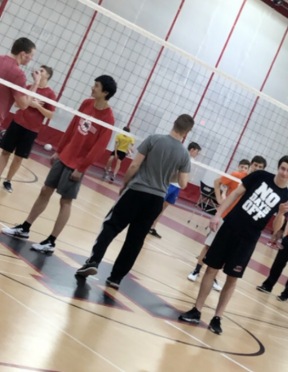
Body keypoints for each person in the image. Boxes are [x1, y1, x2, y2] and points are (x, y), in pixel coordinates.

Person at [178, 154, 288, 334]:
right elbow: (235, 193)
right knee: (211, 268)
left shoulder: (286, 198)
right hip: (230, 227)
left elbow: (276, 228)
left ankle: (217, 318)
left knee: (232, 278)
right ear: (278, 167)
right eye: (282, 168)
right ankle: (196, 310)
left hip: (248, 239)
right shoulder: (260, 176)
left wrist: (280, 213)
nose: (284, 173)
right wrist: (218, 215)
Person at [75, 113, 194, 289]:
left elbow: (134, 165)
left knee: (111, 226)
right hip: (156, 200)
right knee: (135, 240)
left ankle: (93, 262)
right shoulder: (184, 154)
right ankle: (116, 278)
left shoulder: (154, 139)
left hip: (137, 191)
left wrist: (125, 184)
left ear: (174, 122)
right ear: (187, 132)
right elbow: (183, 183)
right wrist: (165, 175)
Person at [2, 75, 117, 254]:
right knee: (45, 190)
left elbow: (99, 148)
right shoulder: (86, 103)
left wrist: (81, 168)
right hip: (64, 156)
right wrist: (59, 150)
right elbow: (72, 127)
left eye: (96, 86)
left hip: (77, 164)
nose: (92, 88)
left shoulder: (108, 118)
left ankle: (51, 242)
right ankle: (25, 228)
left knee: (65, 201)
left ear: (105, 93)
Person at [187, 155, 265, 284]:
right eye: (255, 165)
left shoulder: (259, 185)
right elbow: (217, 182)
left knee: (224, 251)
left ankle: (213, 278)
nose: (257, 168)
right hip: (224, 217)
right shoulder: (237, 176)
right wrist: (219, 199)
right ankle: (196, 270)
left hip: (237, 223)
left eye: (260, 167)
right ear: (251, 165)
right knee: (209, 246)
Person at [0, 65, 56, 192]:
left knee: (18, 157)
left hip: (31, 130)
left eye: (41, 71)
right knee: (5, 152)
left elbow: (51, 115)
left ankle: (8, 181)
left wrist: (37, 106)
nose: (38, 71)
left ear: (47, 75)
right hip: (17, 123)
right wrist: (30, 102)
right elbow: (16, 103)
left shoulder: (50, 94)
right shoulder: (30, 87)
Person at [149, 140, 202, 238]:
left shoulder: (192, 162)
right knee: (157, 205)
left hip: (177, 187)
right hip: (170, 184)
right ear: (192, 150)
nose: (197, 154)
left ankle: (152, 226)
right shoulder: (181, 156)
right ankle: (145, 222)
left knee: (163, 208)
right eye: (197, 151)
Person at [0, 37, 39, 130]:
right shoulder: (18, 74)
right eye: (31, 55)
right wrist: (36, 83)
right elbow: (23, 105)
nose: (31, 59)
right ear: (23, 54)